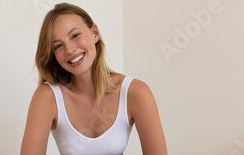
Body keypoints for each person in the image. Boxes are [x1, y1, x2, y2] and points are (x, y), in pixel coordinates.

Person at [21, 3, 167, 155]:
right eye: (58, 45)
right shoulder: (47, 97)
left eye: (75, 35)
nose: (70, 49)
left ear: (95, 33)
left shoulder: (136, 92)